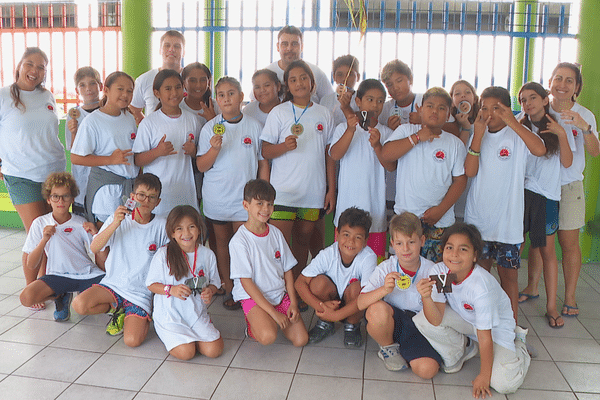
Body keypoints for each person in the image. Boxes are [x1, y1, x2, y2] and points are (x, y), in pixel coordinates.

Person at [414, 223, 531, 398]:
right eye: (450, 247)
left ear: (475, 255)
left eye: (463, 249)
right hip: (470, 323)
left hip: (495, 330)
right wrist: (426, 297)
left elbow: (485, 336)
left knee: (503, 384)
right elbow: (436, 320)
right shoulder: (441, 272)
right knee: (422, 319)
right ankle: (462, 351)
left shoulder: (480, 286)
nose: (454, 254)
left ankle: (520, 345)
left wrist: (484, 376)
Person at [464, 86, 546, 321]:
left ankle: (510, 330)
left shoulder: (518, 135)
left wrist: (513, 122)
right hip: (479, 222)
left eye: (496, 109)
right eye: (484, 108)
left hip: (508, 225)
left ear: (507, 110)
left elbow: (540, 150)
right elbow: (470, 171)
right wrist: (478, 134)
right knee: (478, 276)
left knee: (509, 278)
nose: (489, 114)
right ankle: (479, 325)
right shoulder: (477, 135)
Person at [0, 47, 66, 310]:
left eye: (41, 67)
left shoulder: (47, 95)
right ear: (19, 65)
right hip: (22, 175)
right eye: (30, 64)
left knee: (54, 233)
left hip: (54, 174)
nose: (35, 71)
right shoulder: (4, 96)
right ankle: (31, 290)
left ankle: (46, 284)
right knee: (37, 232)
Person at [197, 76, 269, 310]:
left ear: (241, 96)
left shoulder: (254, 126)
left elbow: (262, 163)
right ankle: (227, 285)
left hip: (245, 201)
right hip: (217, 198)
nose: (226, 98)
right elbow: (201, 166)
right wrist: (214, 149)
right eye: (221, 95)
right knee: (221, 244)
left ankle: (244, 289)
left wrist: (263, 196)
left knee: (244, 246)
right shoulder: (209, 128)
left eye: (231, 93)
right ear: (216, 100)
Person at [72, 173, 169, 347]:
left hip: (141, 293)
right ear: (132, 197)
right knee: (79, 304)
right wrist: (115, 223)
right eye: (141, 195)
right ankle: (117, 309)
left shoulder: (162, 225)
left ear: (158, 202)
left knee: (132, 341)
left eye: (151, 197)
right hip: (114, 284)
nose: (145, 201)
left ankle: (136, 314)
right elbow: (95, 247)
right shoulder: (117, 218)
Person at [261, 60, 335, 280]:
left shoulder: (324, 114)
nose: (299, 83)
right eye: (293, 79)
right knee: (279, 247)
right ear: (286, 86)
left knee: (302, 244)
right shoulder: (279, 112)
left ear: (312, 83)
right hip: (283, 192)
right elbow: (265, 150)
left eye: (303, 78)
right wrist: (284, 146)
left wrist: (331, 190)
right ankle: (278, 291)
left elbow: (329, 155)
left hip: (312, 193)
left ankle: (297, 292)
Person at [382, 87, 467, 263]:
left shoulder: (455, 144)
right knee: (402, 271)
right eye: (430, 106)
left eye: (442, 108)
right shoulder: (406, 131)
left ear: (449, 114)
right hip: (406, 217)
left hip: (440, 221)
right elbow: (386, 154)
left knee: (435, 275)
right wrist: (417, 137)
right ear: (420, 109)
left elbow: (460, 180)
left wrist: (441, 210)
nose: (435, 111)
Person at [517, 82, 573, 329]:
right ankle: (506, 298)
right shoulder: (519, 122)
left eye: (532, 98)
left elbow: (568, 163)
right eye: (522, 100)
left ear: (544, 99)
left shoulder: (558, 123)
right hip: (520, 194)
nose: (527, 103)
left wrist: (561, 134)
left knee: (547, 252)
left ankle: (551, 307)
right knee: (515, 247)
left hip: (547, 196)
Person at [357, 212, 441, 378]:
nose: (406, 249)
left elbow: (440, 316)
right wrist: (384, 290)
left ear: (422, 241)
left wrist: (427, 297)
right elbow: (360, 303)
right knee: (375, 309)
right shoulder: (385, 268)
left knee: (428, 371)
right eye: (400, 243)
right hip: (392, 322)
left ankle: (405, 349)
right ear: (392, 244)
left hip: (420, 325)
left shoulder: (434, 271)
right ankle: (388, 347)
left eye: (411, 242)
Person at [547, 62, 600, 317]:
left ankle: (569, 296)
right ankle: (532, 287)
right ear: (550, 82)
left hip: (569, 187)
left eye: (569, 80)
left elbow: (595, 151)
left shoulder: (585, 115)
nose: (562, 85)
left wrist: (584, 126)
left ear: (577, 87)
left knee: (569, 244)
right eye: (558, 78)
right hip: (540, 186)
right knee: (539, 244)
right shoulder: (541, 109)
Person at [228, 179, 308, 346]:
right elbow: (246, 282)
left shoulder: (276, 233)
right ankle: (252, 326)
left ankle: (270, 318)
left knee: (301, 340)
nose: (266, 209)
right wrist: (273, 313)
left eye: (270, 204)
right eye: (259, 203)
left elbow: (287, 270)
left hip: (278, 295)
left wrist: (293, 303)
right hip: (254, 297)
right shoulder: (239, 241)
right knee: (268, 336)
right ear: (246, 205)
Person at [19, 172, 106, 321]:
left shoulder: (81, 222)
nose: (60, 201)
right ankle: (60, 296)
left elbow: (101, 253)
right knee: (26, 298)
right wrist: (44, 240)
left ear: (72, 199)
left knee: (111, 296)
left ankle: (83, 294)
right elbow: (31, 264)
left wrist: (96, 234)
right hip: (56, 276)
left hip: (86, 274)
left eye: (65, 196)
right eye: (55, 196)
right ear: (48, 199)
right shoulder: (39, 223)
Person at [329, 79, 395, 263]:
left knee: (374, 265)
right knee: (344, 263)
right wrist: (351, 130)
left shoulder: (386, 133)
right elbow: (335, 155)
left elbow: (391, 166)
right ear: (358, 102)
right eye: (370, 99)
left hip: (375, 214)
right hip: (346, 211)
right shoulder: (344, 128)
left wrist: (377, 146)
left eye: (380, 101)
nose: (375, 105)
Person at [147, 205, 224, 360]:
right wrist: (171, 289)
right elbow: (151, 284)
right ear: (172, 233)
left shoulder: (207, 254)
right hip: (170, 315)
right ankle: (174, 335)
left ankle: (190, 337)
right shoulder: (163, 254)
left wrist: (210, 291)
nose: (186, 233)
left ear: (199, 229)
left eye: (191, 227)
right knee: (187, 353)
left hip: (195, 313)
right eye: (179, 229)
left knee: (214, 350)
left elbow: (215, 283)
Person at [295, 207, 376, 347]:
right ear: (337, 234)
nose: (350, 242)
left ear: (365, 241)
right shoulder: (329, 254)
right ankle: (325, 323)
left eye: (358, 237)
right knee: (317, 283)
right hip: (329, 303)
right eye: (346, 235)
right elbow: (299, 283)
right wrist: (321, 307)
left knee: (358, 289)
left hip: (352, 304)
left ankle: (352, 325)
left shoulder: (369, 257)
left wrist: (337, 315)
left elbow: (367, 297)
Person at [70, 71, 138, 228]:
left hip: (128, 188)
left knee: (125, 235)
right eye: (120, 89)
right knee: (104, 238)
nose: (125, 94)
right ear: (106, 90)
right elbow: (76, 157)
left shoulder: (128, 117)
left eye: (129, 91)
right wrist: (109, 160)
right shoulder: (92, 121)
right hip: (106, 190)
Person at [133, 69, 200, 216]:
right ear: (157, 93)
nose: (174, 93)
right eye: (168, 89)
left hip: (185, 193)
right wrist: (157, 152)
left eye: (178, 87)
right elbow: (138, 160)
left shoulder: (192, 119)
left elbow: (199, 156)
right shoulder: (149, 123)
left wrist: (194, 151)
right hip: (158, 198)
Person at [261, 25, 334, 103]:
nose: (289, 48)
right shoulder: (266, 74)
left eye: (294, 44)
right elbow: (255, 104)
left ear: (302, 47)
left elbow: (331, 104)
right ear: (278, 47)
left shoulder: (316, 73)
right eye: (285, 44)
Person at [66, 67, 103, 216]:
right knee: (83, 220)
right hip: (82, 177)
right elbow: (74, 152)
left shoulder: (108, 110)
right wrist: (74, 132)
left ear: (100, 86)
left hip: (103, 173)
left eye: (92, 83)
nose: (88, 89)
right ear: (77, 90)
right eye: (82, 85)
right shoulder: (74, 115)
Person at [130, 30, 185, 124]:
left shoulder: (191, 79)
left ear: (184, 52)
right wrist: (149, 127)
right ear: (160, 50)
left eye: (177, 46)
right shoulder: (145, 79)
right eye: (167, 45)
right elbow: (134, 109)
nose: (171, 49)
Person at [378, 59, 422, 130]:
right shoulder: (384, 110)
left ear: (410, 79)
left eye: (399, 81)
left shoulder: (425, 101)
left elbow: (446, 128)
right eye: (389, 84)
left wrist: (424, 123)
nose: (395, 88)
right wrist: (389, 130)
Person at [320, 55, 361, 126]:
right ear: (333, 77)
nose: (345, 79)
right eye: (340, 74)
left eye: (350, 74)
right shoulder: (325, 100)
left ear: (358, 77)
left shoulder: (362, 100)